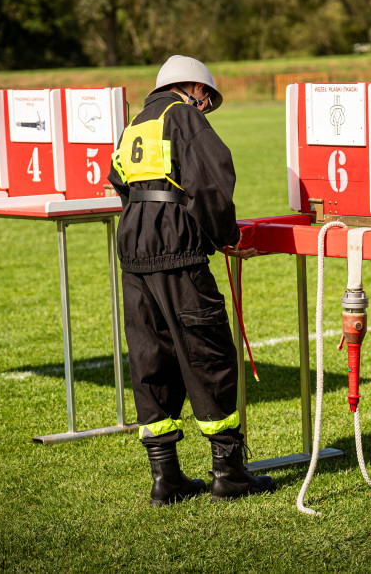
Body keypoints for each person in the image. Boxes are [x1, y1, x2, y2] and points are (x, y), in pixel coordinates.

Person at [107, 55, 275, 507]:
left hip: (133, 250)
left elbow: (118, 180)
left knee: (151, 359)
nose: (205, 107)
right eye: (206, 98)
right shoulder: (183, 115)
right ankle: (230, 473)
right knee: (208, 353)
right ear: (193, 88)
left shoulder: (136, 122)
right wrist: (228, 237)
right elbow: (213, 181)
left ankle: (167, 479)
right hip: (177, 250)